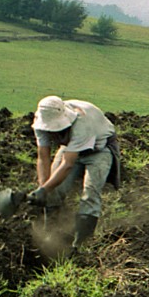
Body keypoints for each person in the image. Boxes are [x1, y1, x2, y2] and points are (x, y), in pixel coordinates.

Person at [27, 95, 121, 251]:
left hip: (99, 149)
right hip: (69, 147)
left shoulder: (81, 123)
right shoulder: (40, 124)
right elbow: (43, 157)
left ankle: (80, 244)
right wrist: (43, 189)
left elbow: (67, 164)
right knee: (53, 190)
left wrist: (44, 190)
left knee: (90, 193)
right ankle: (51, 234)